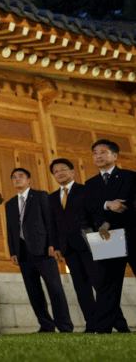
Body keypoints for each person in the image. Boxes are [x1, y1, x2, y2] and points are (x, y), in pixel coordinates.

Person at [5, 167, 72, 333]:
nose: (17, 179)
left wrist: (53, 244)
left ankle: (65, 326)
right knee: (33, 291)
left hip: (43, 249)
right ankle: (46, 325)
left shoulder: (41, 195)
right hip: (22, 252)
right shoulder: (10, 204)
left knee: (55, 289)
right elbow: (10, 229)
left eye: (21, 176)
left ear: (29, 179)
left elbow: (50, 220)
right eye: (14, 177)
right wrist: (13, 251)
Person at [84, 139, 136, 334]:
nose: (98, 156)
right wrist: (107, 204)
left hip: (131, 233)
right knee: (107, 285)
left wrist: (104, 207)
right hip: (106, 238)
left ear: (114, 156)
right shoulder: (90, 183)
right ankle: (103, 329)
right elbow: (90, 207)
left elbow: (125, 202)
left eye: (103, 152)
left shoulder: (130, 176)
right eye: (95, 153)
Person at [47, 158, 100, 332]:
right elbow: (53, 225)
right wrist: (56, 247)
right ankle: (92, 325)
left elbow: (96, 217)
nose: (60, 173)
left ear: (72, 172)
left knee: (101, 286)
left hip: (91, 245)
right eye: (56, 171)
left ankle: (118, 324)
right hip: (68, 249)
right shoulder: (52, 198)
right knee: (82, 290)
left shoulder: (87, 190)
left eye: (63, 169)